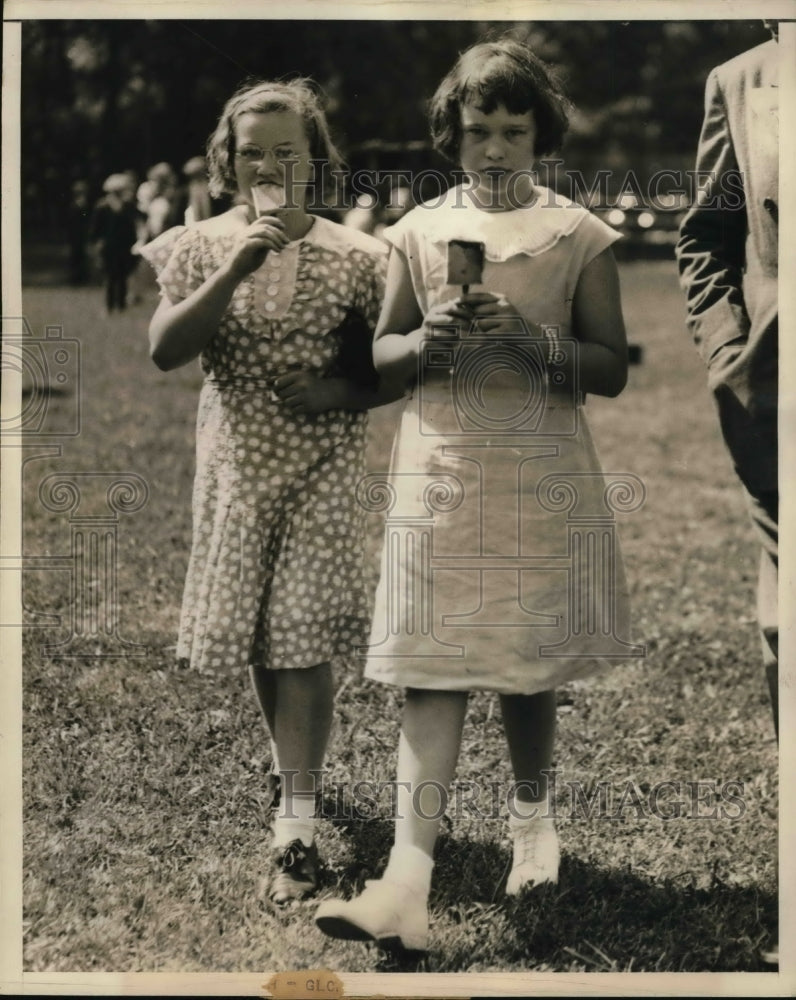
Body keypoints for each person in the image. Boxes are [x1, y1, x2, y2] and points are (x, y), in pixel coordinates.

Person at [316, 36, 634, 951]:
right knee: (431, 661)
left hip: (536, 472)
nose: (493, 150)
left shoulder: (577, 234)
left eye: (513, 131)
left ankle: (532, 825)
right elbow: (382, 359)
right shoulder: (418, 231)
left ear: (542, 137)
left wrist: (529, 341)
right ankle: (405, 883)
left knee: (526, 662)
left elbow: (610, 368)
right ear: (450, 137)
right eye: (476, 131)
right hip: (441, 472)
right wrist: (428, 342)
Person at [139, 79, 396, 904]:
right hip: (238, 468)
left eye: (288, 151)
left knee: (301, 635)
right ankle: (292, 774)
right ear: (229, 161)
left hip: (323, 465)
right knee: (260, 633)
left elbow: (395, 368)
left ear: (316, 160)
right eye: (253, 152)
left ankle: (297, 824)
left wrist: (338, 391)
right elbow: (164, 351)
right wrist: (238, 263)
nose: (270, 166)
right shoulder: (201, 244)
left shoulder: (360, 257)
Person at [674, 25, 779, 966]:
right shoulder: (741, 81)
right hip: (777, 393)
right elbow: (706, 234)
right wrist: (727, 354)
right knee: (787, 623)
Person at [89, 173, 140, 313]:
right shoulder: (102, 206)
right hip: (109, 247)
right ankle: (109, 305)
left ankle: (121, 305)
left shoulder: (128, 206)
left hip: (124, 246)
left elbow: (134, 224)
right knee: (110, 277)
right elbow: (95, 228)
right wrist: (97, 244)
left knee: (122, 276)